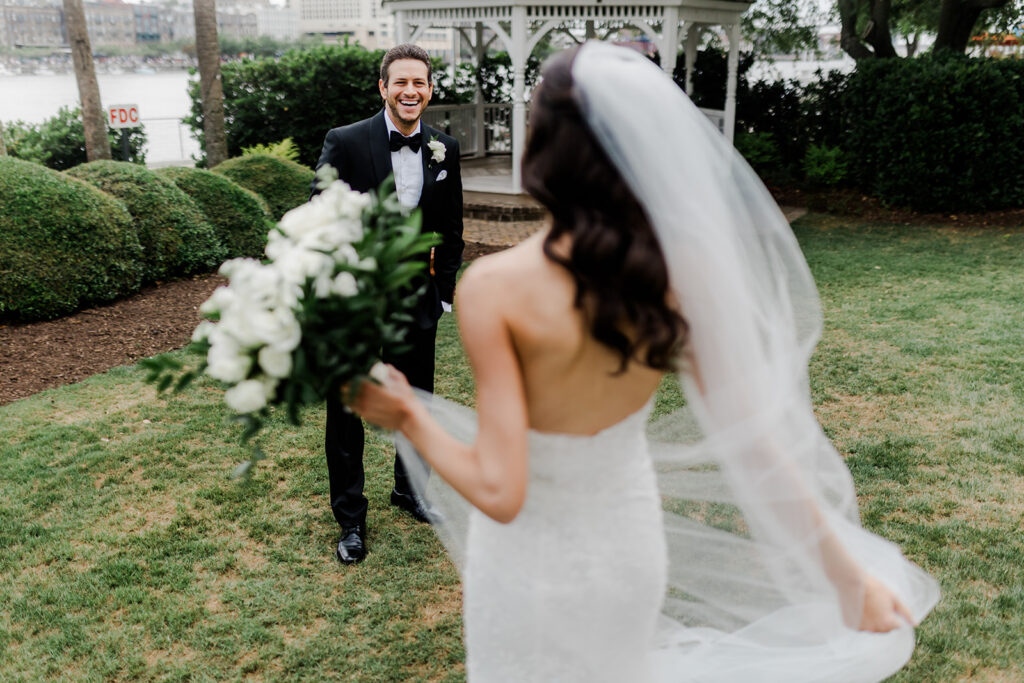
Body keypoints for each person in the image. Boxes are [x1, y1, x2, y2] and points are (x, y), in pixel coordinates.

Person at [350, 42, 939, 680]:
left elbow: (501, 491)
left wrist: (408, 415)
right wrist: (849, 580)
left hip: (526, 570)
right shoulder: (679, 277)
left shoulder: (496, 289)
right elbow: (757, 447)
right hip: (628, 555)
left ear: (542, 148)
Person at [312, 43, 464, 564]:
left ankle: (410, 491)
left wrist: (441, 294)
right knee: (349, 406)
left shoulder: (445, 148)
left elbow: (450, 229)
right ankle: (351, 519)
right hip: (356, 300)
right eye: (400, 82)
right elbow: (320, 213)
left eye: (419, 83)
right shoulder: (347, 141)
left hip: (417, 300)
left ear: (428, 89)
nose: (410, 91)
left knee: (415, 403)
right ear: (383, 87)